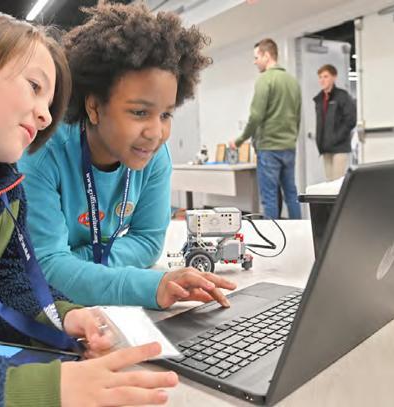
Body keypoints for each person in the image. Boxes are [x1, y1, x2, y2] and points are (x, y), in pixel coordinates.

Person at [0, 7, 178, 406]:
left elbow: (5, 287)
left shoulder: (1, 188)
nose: (46, 115)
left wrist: (65, 317)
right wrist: (43, 389)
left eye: (49, 102)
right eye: (34, 86)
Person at [19, 3, 236, 310]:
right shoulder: (42, 153)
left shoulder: (154, 156)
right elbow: (47, 270)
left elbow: (148, 241)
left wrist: (80, 262)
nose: (156, 133)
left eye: (166, 114)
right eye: (139, 112)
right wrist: (151, 286)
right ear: (94, 107)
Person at [231, 38, 302, 220]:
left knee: (269, 197)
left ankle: (271, 236)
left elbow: (256, 116)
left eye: (256, 57)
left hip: (269, 148)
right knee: (291, 194)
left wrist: (239, 140)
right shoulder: (293, 82)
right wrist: (291, 139)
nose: (255, 62)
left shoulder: (264, 80)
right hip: (289, 147)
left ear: (267, 55)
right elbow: (297, 116)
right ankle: (300, 232)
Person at [313, 64, 357, 181]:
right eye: (320, 77)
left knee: (337, 182)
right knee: (329, 182)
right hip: (325, 147)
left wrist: (336, 137)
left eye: (326, 76)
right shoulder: (319, 99)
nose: (322, 80)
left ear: (334, 77)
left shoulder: (342, 96)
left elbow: (351, 119)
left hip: (339, 147)